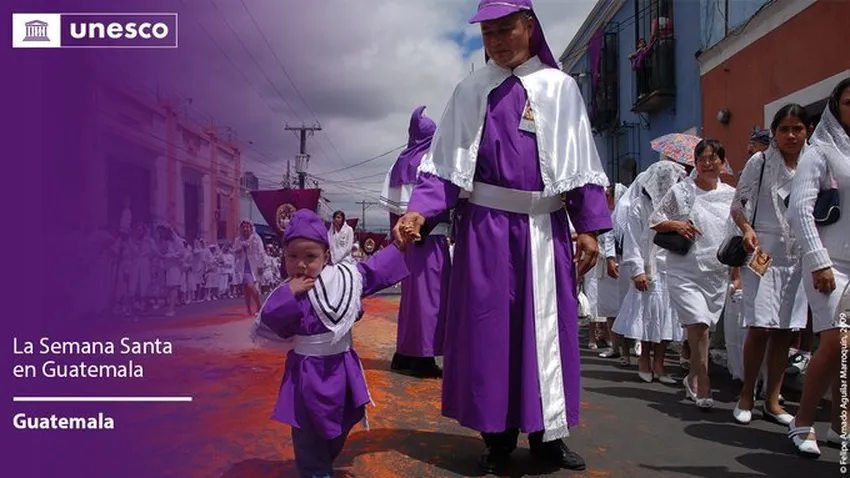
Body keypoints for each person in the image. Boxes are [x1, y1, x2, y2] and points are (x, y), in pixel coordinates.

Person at [394, 0, 611, 472]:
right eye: (487, 33)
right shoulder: (470, 90)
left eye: (505, 29)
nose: (495, 41)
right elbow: (444, 168)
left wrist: (589, 228)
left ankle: (549, 436)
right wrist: (418, 213)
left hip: (544, 229)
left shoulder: (560, 87)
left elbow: (580, 162)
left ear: (529, 27)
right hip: (485, 233)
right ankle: (496, 438)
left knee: (546, 335)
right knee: (489, 334)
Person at [258, 209, 409, 478]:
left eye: (310, 257)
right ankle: (316, 471)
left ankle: (322, 463)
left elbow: (372, 271)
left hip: (341, 368)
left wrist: (397, 247)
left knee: (339, 426)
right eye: (292, 257)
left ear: (325, 256)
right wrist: (289, 293)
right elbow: (270, 318)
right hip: (306, 374)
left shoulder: (344, 280)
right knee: (307, 434)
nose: (301, 264)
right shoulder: (289, 290)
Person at [729, 104, 811, 426]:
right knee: (760, 326)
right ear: (774, 133)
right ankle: (746, 394)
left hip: (797, 256)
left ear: (807, 131)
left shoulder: (814, 163)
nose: (791, 135)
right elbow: (738, 205)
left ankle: (772, 399)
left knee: (784, 330)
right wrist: (747, 229)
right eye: (784, 129)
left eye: (797, 128)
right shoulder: (760, 162)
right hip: (762, 253)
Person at [788, 77, 850, 457]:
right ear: (836, 107)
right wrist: (818, 261)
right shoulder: (821, 151)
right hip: (830, 264)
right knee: (837, 341)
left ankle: (841, 425)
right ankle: (803, 419)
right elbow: (799, 209)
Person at [650, 139, 736, 409]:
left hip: (716, 271)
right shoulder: (681, 191)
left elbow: (736, 232)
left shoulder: (731, 195)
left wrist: (736, 273)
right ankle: (703, 381)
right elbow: (656, 221)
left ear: (722, 162)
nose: (708, 164)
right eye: (702, 159)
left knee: (704, 327)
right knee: (697, 323)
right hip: (684, 269)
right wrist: (677, 224)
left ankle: (692, 376)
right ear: (695, 163)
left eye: (713, 158)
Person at [381, 105, 449, 378]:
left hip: (406, 242)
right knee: (431, 300)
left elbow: (394, 209)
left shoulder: (399, 164)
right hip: (428, 238)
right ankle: (422, 358)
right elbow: (433, 202)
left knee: (411, 301)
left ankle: (404, 354)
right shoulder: (430, 161)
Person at [232, 221, 264, 315]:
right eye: (243, 227)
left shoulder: (256, 238)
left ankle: (259, 305)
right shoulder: (238, 240)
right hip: (243, 265)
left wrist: (261, 265)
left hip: (254, 265)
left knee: (250, 286)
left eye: (247, 227)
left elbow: (261, 252)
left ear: (251, 228)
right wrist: (240, 248)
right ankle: (248, 308)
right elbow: (234, 251)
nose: (245, 229)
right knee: (246, 288)